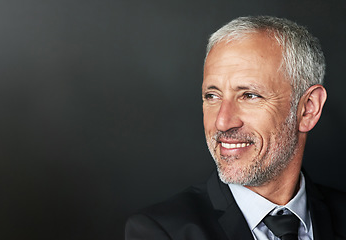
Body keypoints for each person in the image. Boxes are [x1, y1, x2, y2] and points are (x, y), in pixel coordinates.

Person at [125, 16, 346, 240]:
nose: (222, 122)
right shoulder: (160, 232)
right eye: (212, 96)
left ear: (308, 109)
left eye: (249, 95)